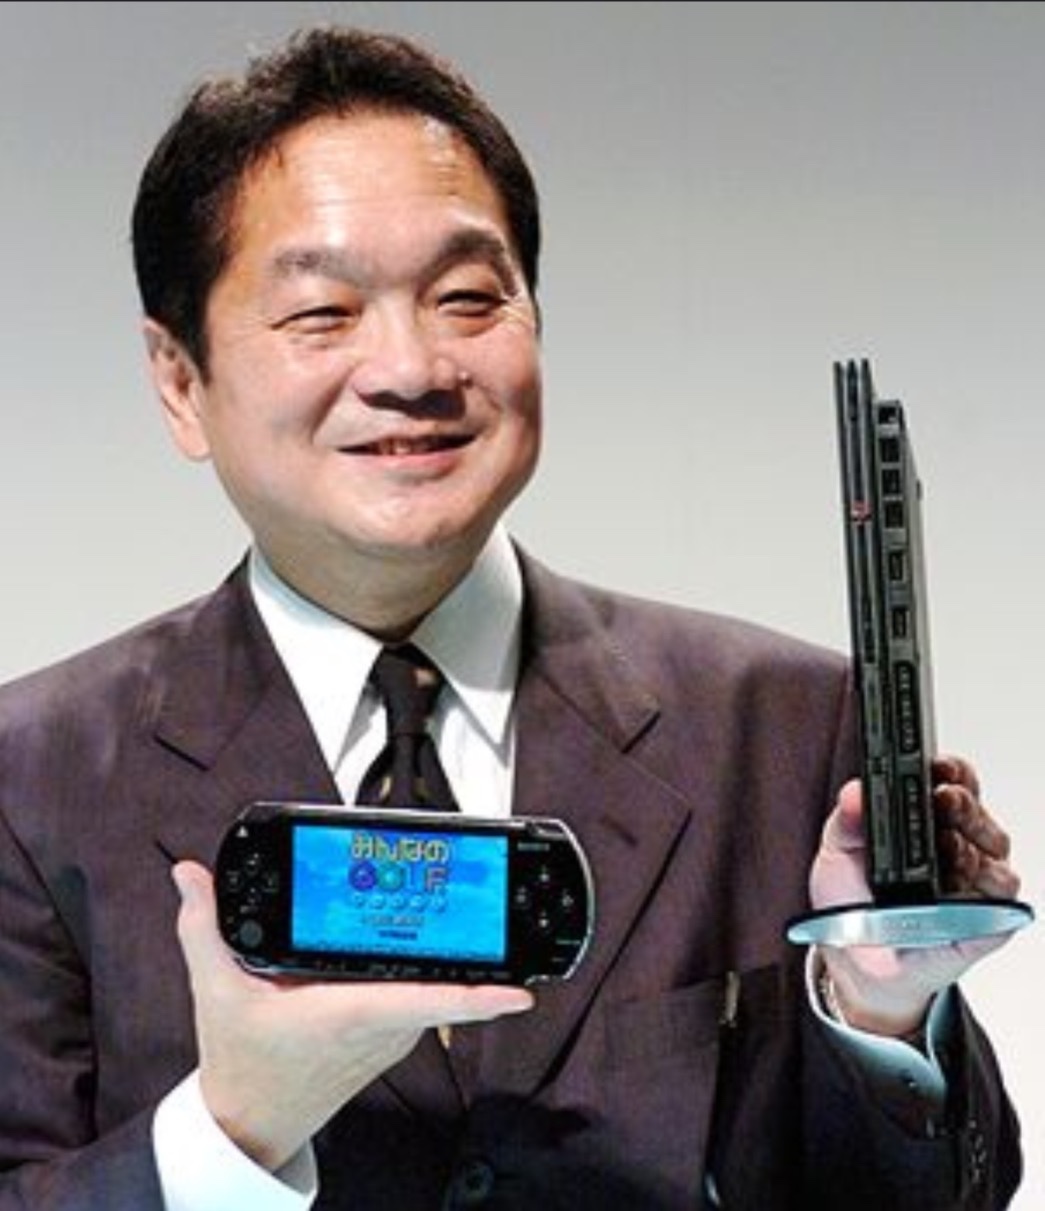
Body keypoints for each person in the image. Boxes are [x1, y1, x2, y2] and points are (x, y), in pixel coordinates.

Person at [0, 25, 1026, 1211]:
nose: (410, 367)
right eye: (323, 311)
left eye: (467, 296)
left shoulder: (783, 728)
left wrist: (879, 1005)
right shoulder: (32, 781)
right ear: (181, 381)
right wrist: (234, 1126)